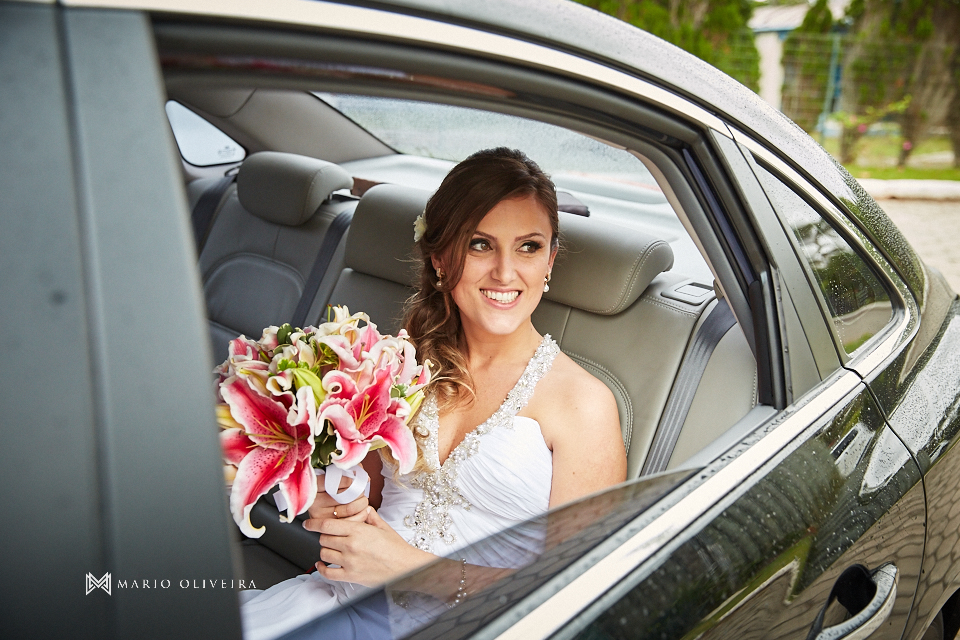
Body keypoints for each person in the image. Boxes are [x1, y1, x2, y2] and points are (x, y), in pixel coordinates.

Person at [239, 147, 626, 640]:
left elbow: (579, 590)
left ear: (550, 260)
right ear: (442, 258)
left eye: (528, 246)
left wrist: (412, 569)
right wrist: (331, 496)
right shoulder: (403, 358)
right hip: (340, 600)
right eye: (481, 245)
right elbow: (366, 496)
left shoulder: (584, 405)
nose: (506, 273)